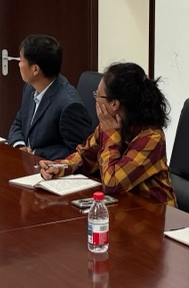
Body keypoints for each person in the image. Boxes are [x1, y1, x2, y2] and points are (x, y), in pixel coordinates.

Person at [40, 62, 175, 204]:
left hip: (153, 211)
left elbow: (112, 182)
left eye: (98, 95)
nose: (96, 100)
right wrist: (60, 167)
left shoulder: (152, 137)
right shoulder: (109, 124)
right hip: (123, 205)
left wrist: (111, 134)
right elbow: (85, 157)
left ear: (114, 104)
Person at [6, 35, 91, 160]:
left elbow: (79, 151)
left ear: (35, 69)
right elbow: (20, 121)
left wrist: (36, 153)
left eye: (21, 60)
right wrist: (20, 145)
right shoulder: (30, 88)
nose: (19, 64)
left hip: (50, 166)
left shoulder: (69, 105)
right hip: (28, 163)